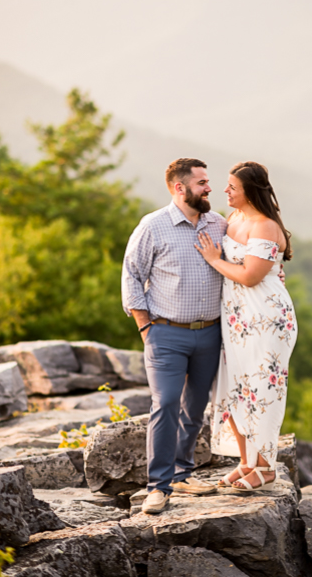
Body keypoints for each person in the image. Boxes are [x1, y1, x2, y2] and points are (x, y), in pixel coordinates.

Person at [121, 158, 226, 515]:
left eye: (207, 181)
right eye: (201, 183)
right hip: (165, 333)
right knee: (165, 403)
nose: (208, 188)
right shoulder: (153, 226)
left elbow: (243, 261)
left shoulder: (219, 224)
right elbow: (132, 276)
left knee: (195, 408)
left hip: (210, 334)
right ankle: (158, 486)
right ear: (179, 188)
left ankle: (183, 473)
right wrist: (144, 326)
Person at [195, 161, 297, 491]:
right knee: (234, 387)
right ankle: (245, 462)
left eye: (232, 188)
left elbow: (252, 276)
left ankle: (266, 467)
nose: (225, 191)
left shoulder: (265, 226)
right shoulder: (234, 219)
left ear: (250, 192)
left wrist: (214, 260)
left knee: (261, 389)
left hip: (266, 318)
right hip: (237, 319)